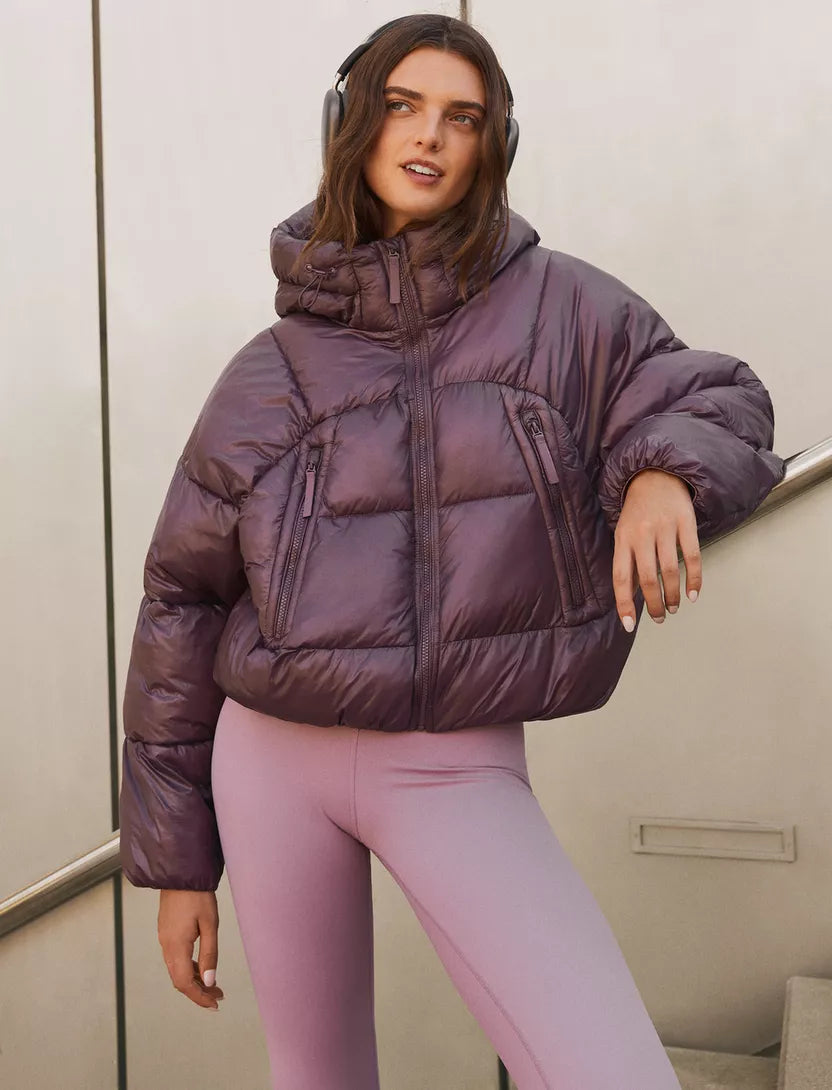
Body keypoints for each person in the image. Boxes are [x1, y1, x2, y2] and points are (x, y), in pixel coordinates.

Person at [118, 13, 785, 1090]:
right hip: (267, 759)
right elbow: (181, 602)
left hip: (451, 762)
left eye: (461, 118)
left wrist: (662, 470)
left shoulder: (559, 307)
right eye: (402, 105)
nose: (428, 134)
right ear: (353, 124)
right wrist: (177, 865)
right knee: (317, 1077)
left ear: (492, 146)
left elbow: (718, 396)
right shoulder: (269, 370)